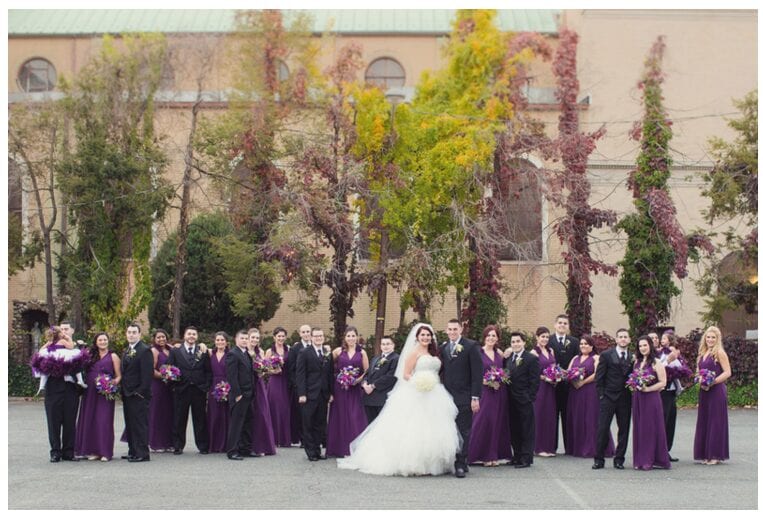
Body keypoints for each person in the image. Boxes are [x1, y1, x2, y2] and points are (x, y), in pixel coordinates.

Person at [337, 323, 460, 476]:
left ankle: (434, 463)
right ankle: (413, 463)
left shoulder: (435, 353)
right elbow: (406, 374)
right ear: (417, 337)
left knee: (434, 427)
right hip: (417, 391)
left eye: (428, 335)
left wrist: (430, 382)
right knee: (413, 428)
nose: (425, 337)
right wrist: (419, 382)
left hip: (435, 392)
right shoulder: (413, 353)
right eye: (422, 335)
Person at [31, 326, 87, 462]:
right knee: (53, 421)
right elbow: (38, 362)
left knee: (70, 421)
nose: (63, 333)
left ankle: (68, 452)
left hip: (70, 388)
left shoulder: (69, 349)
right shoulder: (49, 349)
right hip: (53, 388)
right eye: (61, 331)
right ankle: (55, 452)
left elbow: (76, 359)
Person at [439, 318, 482, 478]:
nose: (451, 332)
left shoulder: (471, 346)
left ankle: (461, 464)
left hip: (465, 396)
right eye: (449, 329)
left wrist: (475, 397)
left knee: (463, 430)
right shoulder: (443, 348)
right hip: (446, 397)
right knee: (451, 431)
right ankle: (453, 460)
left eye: (454, 329)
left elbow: (477, 374)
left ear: (460, 330)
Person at [467, 325, 511, 466]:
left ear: (497, 338)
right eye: (489, 335)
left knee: (496, 422)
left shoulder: (499, 354)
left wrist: (500, 379)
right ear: (484, 337)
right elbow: (472, 373)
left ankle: (493, 455)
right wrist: (487, 382)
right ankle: (477, 455)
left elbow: (503, 371)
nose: (491, 338)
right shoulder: (478, 352)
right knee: (482, 421)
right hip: (484, 392)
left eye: (494, 335)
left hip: (499, 392)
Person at [75, 332, 121, 461]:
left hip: (104, 393)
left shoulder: (113, 356)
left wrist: (114, 382)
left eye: (105, 339)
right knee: (90, 419)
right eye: (100, 340)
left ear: (108, 341)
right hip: (90, 392)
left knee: (103, 420)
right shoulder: (90, 355)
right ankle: (93, 451)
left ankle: (105, 452)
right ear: (96, 342)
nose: (103, 342)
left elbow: (119, 375)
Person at [565, 335, 614, 458]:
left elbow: (598, 374)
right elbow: (568, 372)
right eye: (581, 344)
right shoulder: (575, 358)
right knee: (577, 417)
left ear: (591, 346)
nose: (583, 346)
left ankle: (592, 448)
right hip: (575, 392)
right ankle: (577, 448)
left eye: (586, 344)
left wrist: (583, 381)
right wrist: (572, 380)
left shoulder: (596, 358)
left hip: (590, 391)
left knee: (591, 418)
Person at [167, 326, 212, 455]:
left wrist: (206, 386)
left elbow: (208, 371)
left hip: (199, 390)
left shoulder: (202, 350)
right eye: (189, 334)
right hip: (181, 389)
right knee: (179, 418)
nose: (191, 336)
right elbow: (169, 369)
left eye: (194, 334)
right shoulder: (176, 352)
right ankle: (178, 445)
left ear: (197, 336)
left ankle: (203, 446)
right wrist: (174, 385)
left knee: (200, 418)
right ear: (184, 336)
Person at [593, 328, 632, 470]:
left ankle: (619, 459)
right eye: (620, 336)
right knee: (603, 428)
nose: (623, 339)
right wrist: (602, 395)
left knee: (624, 429)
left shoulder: (633, 357)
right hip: (608, 397)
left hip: (625, 398)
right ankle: (599, 459)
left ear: (629, 340)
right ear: (616, 339)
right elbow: (599, 377)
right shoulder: (606, 355)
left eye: (625, 337)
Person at [327, 326, 369, 457]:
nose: (351, 338)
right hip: (339, 388)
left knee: (354, 416)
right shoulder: (338, 351)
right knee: (340, 416)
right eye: (348, 336)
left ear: (357, 337)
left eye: (353, 336)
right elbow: (328, 367)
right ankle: (338, 448)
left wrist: (358, 380)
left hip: (354, 389)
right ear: (344, 338)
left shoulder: (362, 352)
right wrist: (339, 377)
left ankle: (356, 449)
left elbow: (367, 370)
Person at [631, 335, 671, 470]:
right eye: (640, 346)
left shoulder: (656, 362)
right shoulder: (636, 361)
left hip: (651, 398)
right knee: (639, 427)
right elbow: (633, 378)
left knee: (650, 428)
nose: (642, 348)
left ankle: (650, 459)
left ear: (650, 346)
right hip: (638, 398)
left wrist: (647, 389)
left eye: (645, 345)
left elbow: (663, 382)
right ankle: (639, 459)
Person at [693, 326, 731, 465]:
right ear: (705, 338)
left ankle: (715, 454)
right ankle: (705, 453)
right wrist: (700, 381)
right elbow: (698, 372)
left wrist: (712, 382)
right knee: (705, 420)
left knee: (716, 421)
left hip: (716, 391)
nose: (710, 340)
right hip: (704, 391)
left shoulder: (719, 353)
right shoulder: (702, 353)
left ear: (717, 339)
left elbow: (727, 372)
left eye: (713, 337)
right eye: (708, 337)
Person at [296, 327, 333, 461]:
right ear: (311, 338)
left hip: (323, 394)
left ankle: (317, 450)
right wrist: (302, 393)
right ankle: (310, 452)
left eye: (321, 336)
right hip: (309, 394)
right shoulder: (304, 352)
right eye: (316, 336)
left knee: (320, 424)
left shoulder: (327, 353)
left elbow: (330, 374)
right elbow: (300, 374)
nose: (319, 338)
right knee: (308, 423)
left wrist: (331, 393)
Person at [505, 331, 540, 469]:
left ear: (524, 342)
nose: (515, 344)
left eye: (518, 341)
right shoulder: (508, 359)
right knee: (514, 428)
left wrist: (529, 397)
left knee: (526, 429)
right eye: (513, 342)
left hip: (524, 399)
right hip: (510, 400)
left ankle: (526, 458)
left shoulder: (531, 358)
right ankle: (517, 455)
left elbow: (535, 381)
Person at [121, 322, 153, 462]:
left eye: (134, 332)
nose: (131, 334)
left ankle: (142, 453)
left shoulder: (144, 350)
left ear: (139, 334)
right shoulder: (127, 350)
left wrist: (140, 392)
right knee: (130, 424)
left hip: (138, 395)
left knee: (140, 425)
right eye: (129, 332)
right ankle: (133, 450)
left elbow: (147, 374)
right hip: (127, 394)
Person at [548, 314, 580, 453]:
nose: (562, 325)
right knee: (552, 416)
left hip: (568, 385)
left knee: (568, 416)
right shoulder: (547, 340)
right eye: (560, 323)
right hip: (552, 386)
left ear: (568, 326)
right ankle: (551, 446)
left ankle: (569, 447)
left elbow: (578, 360)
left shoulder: (574, 342)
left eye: (565, 323)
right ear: (555, 325)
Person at [225, 330, 255, 460]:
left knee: (248, 423)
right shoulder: (233, 354)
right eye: (242, 338)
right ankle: (232, 451)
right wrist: (237, 394)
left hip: (249, 394)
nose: (244, 340)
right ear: (236, 340)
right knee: (237, 424)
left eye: (246, 338)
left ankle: (245, 449)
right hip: (240, 395)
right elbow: (232, 376)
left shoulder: (246, 354)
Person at [248, 328, 276, 456]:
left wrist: (264, 368)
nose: (254, 340)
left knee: (262, 414)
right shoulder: (244, 350)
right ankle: (248, 445)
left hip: (259, 385)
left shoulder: (261, 351)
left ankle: (262, 446)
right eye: (252, 337)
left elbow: (265, 370)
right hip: (248, 385)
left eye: (257, 338)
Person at [531, 326, 557, 457]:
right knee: (539, 416)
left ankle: (548, 447)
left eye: (547, 337)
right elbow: (532, 373)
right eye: (542, 336)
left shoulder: (551, 350)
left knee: (549, 416)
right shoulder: (533, 353)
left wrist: (556, 376)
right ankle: (538, 448)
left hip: (550, 388)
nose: (545, 339)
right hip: (540, 387)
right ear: (537, 337)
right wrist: (544, 377)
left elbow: (554, 366)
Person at [361, 336, 399, 424]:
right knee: (370, 425)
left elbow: (390, 377)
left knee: (382, 425)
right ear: (380, 346)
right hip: (369, 399)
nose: (385, 346)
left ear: (393, 345)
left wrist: (373, 386)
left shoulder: (396, 358)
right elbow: (367, 373)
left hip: (382, 398)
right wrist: (364, 384)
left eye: (388, 344)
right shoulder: (375, 358)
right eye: (383, 344)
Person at [265, 327, 291, 447]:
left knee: (285, 408)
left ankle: (285, 439)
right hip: (275, 381)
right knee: (274, 407)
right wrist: (273, 370)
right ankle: (274, 438)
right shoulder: (269, 352)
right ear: (274, 337)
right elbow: (264, 368)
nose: (281, 338)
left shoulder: (289, 349)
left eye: (283, 336)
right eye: (278, 336)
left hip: (286, 380)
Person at [148, 328, 174, 453]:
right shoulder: (154, 351)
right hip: (157, 386)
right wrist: (165, 376)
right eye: (158, 337)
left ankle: (167, 442)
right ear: (154, 339)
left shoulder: (170, 350)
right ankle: (155, 443)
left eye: (163, 337)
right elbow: (151, 370)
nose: (161, 339)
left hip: (169, 387)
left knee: (168, 414)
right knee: (156, 413)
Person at [659, 331, 683, 461]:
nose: (662, 340)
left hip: (672, 390)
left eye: (664, 338)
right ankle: (661, 450)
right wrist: (668, 360)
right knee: (663, 419)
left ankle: (667, 449)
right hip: (663, 391)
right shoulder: (659, 353)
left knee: (670, 421)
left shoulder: (674, 351)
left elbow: (680, 367)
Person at [286, 324, 312, 446]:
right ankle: (303, 439)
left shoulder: (316, 346)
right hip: (300, 386)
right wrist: (296, 385)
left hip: (314, 385)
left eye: (308, 331)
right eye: (304, 332)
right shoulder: (294, 349)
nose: (306, 334)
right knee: (302, 414)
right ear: (300, 334)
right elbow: (290, 369)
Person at [207, 331, 230, 453]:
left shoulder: (230, 354)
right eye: (218, 340)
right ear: (215, 342)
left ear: (226, 342)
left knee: (225, 415)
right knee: (214, 414)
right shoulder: (210, 354)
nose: (220, 342)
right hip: (213, 386)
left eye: (222, 340)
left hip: (227, 385)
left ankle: (225, 444)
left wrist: (228, 387)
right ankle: (213, 444)